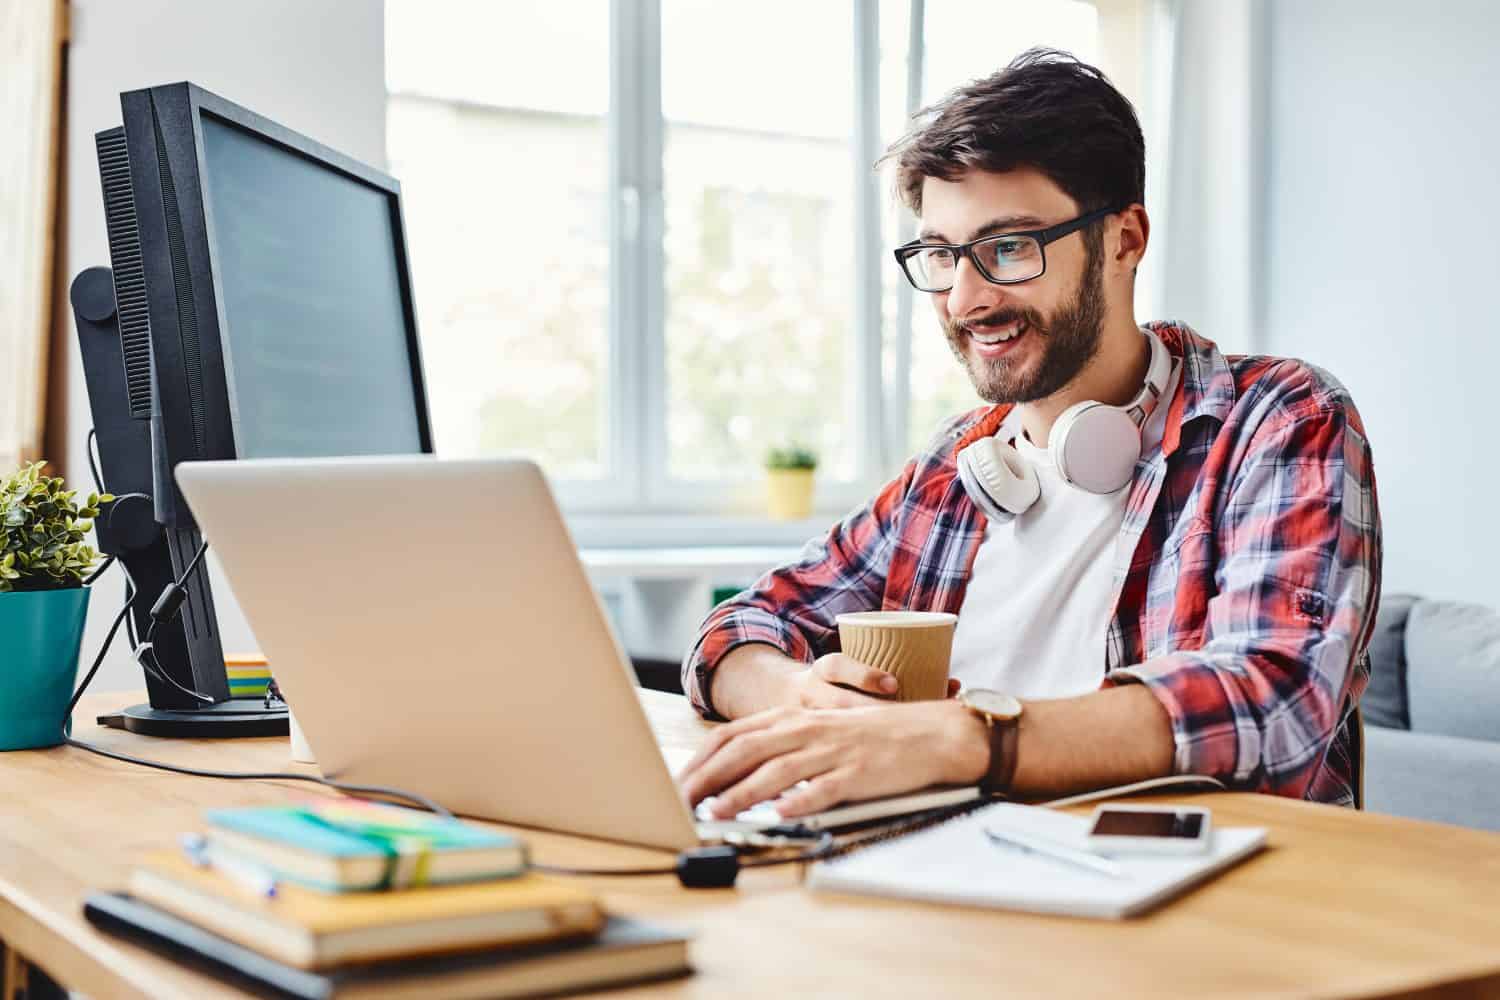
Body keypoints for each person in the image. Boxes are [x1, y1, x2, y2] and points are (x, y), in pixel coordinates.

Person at [677, 49, 1381, 821]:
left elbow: (1270, 699)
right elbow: (739, 627)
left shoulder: (1280, 418)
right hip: (941, 880)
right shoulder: (957, 466)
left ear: (1123, 240)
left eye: (1009, 247)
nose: (965, 299)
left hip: (1191, 901)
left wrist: (965, 740)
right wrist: (796, 693)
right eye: (942, 256)